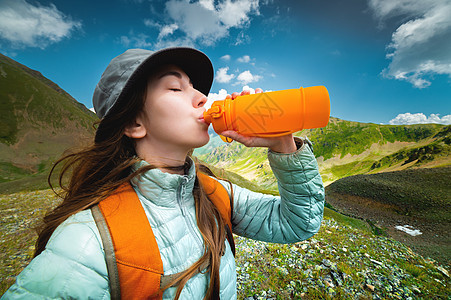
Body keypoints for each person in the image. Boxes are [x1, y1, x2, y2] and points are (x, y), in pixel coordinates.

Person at [2, 47, 325, 299]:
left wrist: (283, 142)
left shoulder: (215, 193)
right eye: (175, 87)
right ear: (134, 124)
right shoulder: (85, 242)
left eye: (196, 87)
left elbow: (296, 223)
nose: (202, 97)